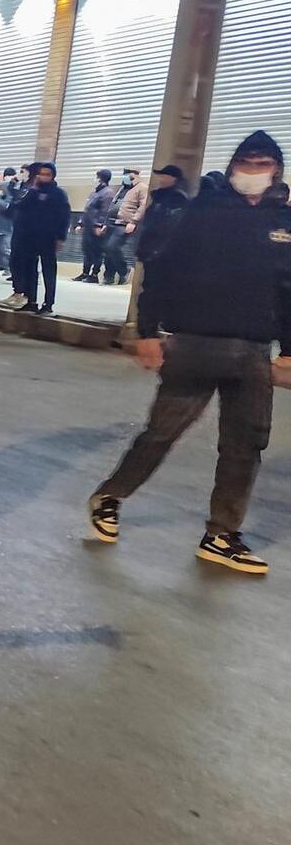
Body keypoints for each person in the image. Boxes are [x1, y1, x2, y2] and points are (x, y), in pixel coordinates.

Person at [89, 132, 291, 575]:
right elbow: (161, 269)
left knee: (245, 445)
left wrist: (289, 351)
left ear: (276, 169)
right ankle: (110, 497)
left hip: (255, 351)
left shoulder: (284, 221)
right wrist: (146, 331)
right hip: (196, 344)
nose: (253, 172)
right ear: (234, 164)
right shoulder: (203, 212)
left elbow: (288, 291)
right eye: (247, 162)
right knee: (161, 433)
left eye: (263, 164)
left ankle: (221, 534)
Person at [2, 162, 69, 313]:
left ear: (52, 176)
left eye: (47, 175)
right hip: (30, 237)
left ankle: (48, 304)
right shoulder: (33, 192)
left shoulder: (58, 194)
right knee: (29, 269)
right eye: (41, 174)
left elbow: (64, 217)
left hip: (49, 238)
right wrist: (17, 191)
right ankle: (30, 300)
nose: (44, 177)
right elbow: (20, 207)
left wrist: (61, 237)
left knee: (48, 271)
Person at [107, 167, 149, 284]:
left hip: (125, 223)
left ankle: (124, 270)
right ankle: (110, 276)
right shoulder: (123, 188)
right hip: (112, 221)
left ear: (134, 175)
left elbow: (143, 205)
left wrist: (133, 221)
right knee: (107, 250)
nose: (124, 176)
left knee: (112, 247)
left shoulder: (142, 188)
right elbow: (114, 203)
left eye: (127, 174)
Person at [79, 169, 114, 282]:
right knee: (87, 250)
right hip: (88, 225)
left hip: (96, 227)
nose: (95, 179)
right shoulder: (95, 192)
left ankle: (94, 275)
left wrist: (99, 225)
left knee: (96, 251)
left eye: (97, 177)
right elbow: (87, 208)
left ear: (101, 178)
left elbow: (105, 211)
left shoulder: (108, 193)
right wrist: (81, 223)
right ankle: (85, 272)